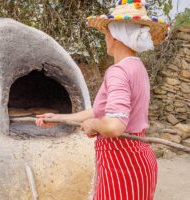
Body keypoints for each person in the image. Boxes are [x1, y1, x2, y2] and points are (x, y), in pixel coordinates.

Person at [35, 0, 169, 199]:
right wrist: (58, 117)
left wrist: (94, 125)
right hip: (139, 160)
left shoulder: (119, 71)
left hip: (122, 165)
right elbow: (102, 111)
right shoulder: (137, 68)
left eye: (107, 32)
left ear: (116, 36)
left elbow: (114, 126)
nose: (105, 37)